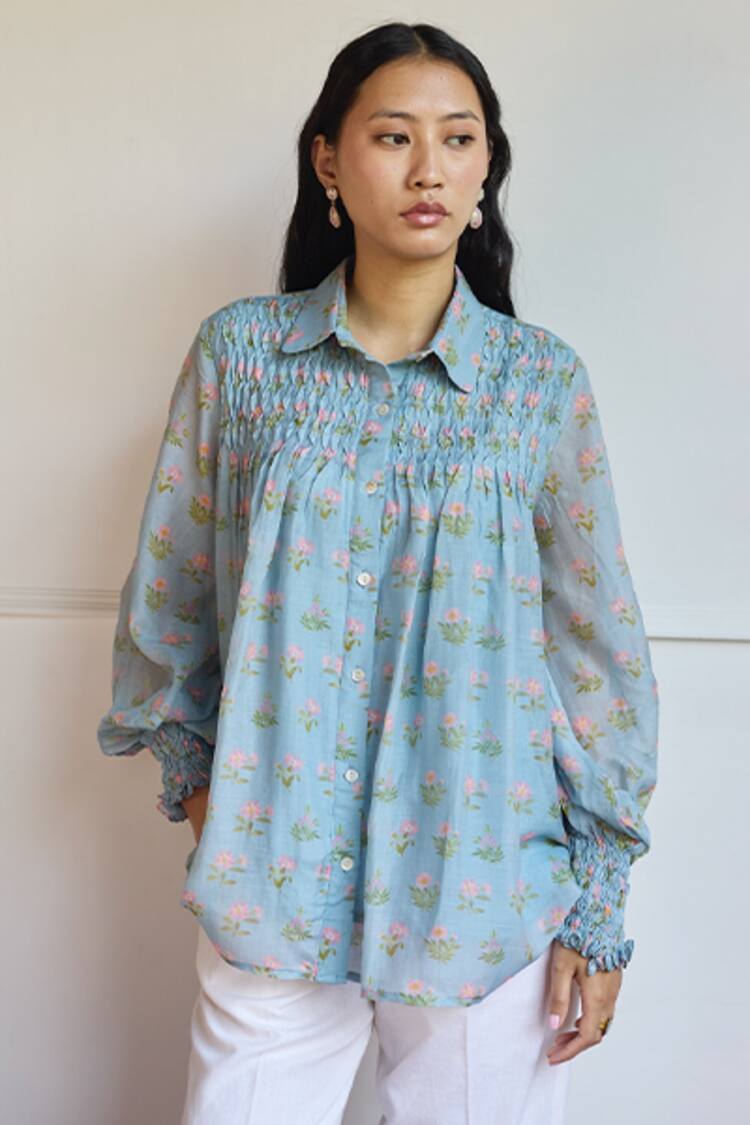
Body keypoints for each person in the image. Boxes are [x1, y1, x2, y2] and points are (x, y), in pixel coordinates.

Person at [96, 20, 659, 1125]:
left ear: (487, 169)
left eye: (459, 138)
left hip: (486, 896)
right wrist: (211, 798)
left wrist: (598, 910)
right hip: (273, 889)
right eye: (394, 136)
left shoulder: (539, 385)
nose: (428, 169)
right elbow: (172, 596)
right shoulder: (241, 358)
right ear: (329, 161)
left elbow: (596, 656)